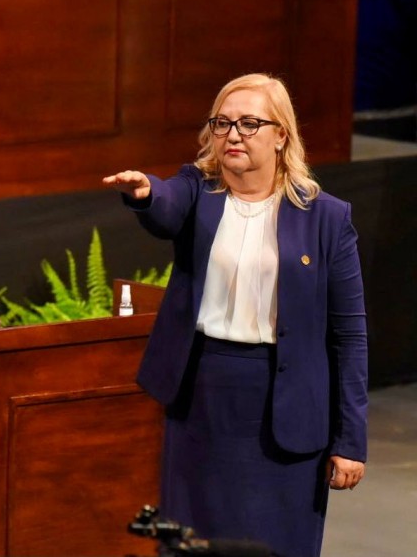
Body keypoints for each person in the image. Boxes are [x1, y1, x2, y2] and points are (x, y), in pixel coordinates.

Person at [103, 73, 368, 557]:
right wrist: (143, 193)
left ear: (281, 134)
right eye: (223, 123)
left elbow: (349, 334)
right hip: (202, 400)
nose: (234, 135)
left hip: (284, 410)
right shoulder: (197, 191)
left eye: (250, 123)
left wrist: (351, 439)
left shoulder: (326, 218)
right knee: (194, 542)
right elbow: (165, 208)